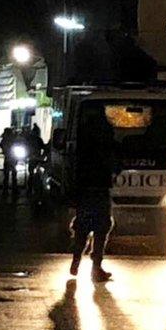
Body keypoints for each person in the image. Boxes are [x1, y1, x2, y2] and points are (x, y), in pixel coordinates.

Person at [69, 116, 118, 282]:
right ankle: (96, 268)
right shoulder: (107, 148)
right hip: (100, 192)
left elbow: (74, 170)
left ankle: (76, 261)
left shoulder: (84, 147)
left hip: (85, 193)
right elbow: (116, 166)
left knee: (82, 229)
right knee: (100, 230)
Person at [0, 128, 18, 192]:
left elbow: (1, 145)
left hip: (7, 158)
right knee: (14, 174)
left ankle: (5, 189)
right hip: (13, 158)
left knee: (6, 175)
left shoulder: (5, 139)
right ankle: (14, 189)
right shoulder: (14, 138)